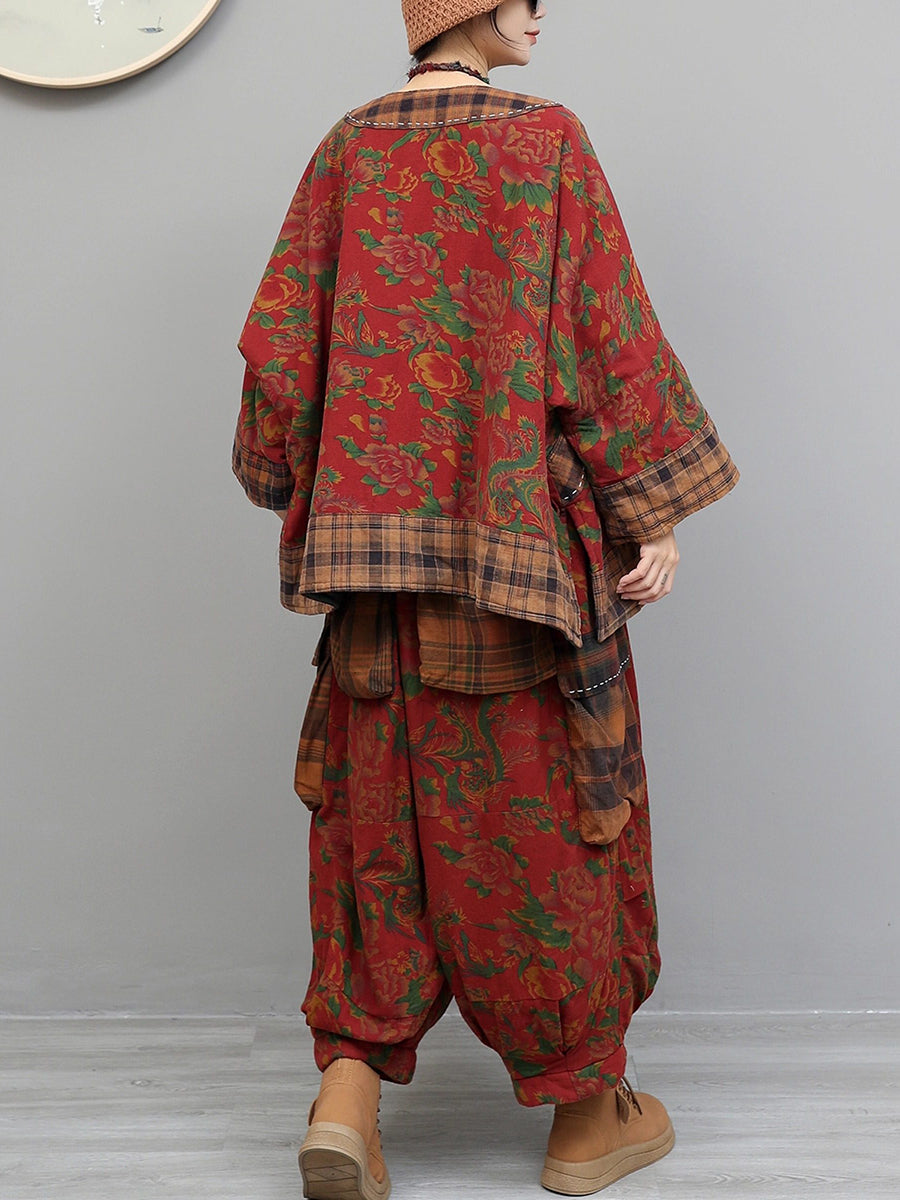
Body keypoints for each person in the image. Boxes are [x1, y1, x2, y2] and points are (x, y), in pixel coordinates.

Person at [232, 2, 740, 1196]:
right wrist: (653, 511)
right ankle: (585, 1119)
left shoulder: (347, 146)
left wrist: (289, 479)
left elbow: (279, 354)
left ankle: (347, 1097)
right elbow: (605, 334)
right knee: (547, 829)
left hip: (370, 593)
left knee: (374, 835)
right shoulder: (545, 142)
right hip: (519, 580)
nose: (541, 15)